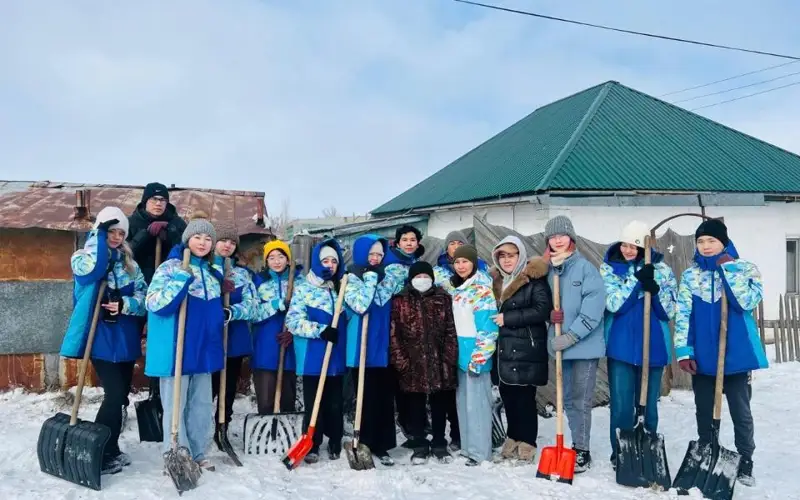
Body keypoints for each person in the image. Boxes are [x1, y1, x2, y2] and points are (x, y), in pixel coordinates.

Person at [675, 218, 767, 487]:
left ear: (723, 242)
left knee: (740, 409)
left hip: (736, 355)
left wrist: (728, 270)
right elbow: (684, 315)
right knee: (704, 408)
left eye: (711, 241)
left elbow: (747, 302)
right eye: (701, 241)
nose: (705, 246)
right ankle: (708, 451)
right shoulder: (691, 275)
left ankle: (745, 458)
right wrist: (684, 350)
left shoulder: (745, 269)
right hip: (703, 356)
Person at [60, 207, 147, 475]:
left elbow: (145, 299)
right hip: (99, 338)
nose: (117, 237)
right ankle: (103, 451)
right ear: (101, 230)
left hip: (125, 337)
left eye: (122, 232)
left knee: (120, 396)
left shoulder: (130, 264)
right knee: (113, 394)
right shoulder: (82, 257)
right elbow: (91, 273)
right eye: (111, 231)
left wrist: (126, 304)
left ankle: (111, 447)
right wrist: (99, 240)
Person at [144, 212, 224, 472]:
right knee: (175, 404)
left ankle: (198, 451)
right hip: (176, 349)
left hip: (203, 349)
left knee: (201, 404)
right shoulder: (170, 268)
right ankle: (176, 451)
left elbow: (212, 313)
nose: (202, 243)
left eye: (207, 238)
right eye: (197, 237)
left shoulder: (212, 274)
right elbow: (154, 303)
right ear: (188, 239)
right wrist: (181, 279)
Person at [599, 221, 677, 469]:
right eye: (624, 244)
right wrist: (635, 283)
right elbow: (612, 304)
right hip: (621, 345)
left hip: (653, 345)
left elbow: (670, 311)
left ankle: (648, 445)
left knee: (649, 403)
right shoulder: (610, 268)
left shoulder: (662, 270)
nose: (627, 250)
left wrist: (653, 290)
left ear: (644, 246)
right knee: (621, 403)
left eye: (633, 245)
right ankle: (620, 451)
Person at [543, 215, 606, 473]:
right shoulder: (547, 270)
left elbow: (594, 308)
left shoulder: (585, 269)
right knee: (567, 399)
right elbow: (541, 303)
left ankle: (582, 450)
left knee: (580, 399)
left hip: (583, 346)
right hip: (559, 345)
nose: (558, 240)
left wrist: (571, 337)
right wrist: (549, 315)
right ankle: (574, 443)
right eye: (553, 236)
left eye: (562, 235)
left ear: (571, 237)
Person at [285, 238, 349, 464]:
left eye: (334, 260)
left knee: (335, 402)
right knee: (314, 401)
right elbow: (292, 321)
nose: (330, 265)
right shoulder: (305, 288)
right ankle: (312, 442)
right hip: (313, 355)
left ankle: (335, 440)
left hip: (337, 356)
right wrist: (320, 330)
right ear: (316, 261)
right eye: (325, 260)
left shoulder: (340, 286)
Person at [489, 236, 551, 463]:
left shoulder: (533, 280)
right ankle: (512, 436)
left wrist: (509, 318)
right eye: (502, 256)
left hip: (526, 348)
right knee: (508, 396)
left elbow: (541, 310)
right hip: (503, 349)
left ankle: (528, 441)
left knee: (525, 397)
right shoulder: (495, 281)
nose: (506, 260)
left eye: (511, 255)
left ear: (520, 256)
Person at [390, 261, 458, 464]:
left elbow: (451, 330)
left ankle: (439, 442)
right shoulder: (400, 300)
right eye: (417, 277)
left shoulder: (443, 298)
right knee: (415, 405)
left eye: (425, 276)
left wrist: (448, 358)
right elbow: (394, 334)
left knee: (439, 404)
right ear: (411, 279)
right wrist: (401, 361)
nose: (422, 280)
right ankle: (419, 444)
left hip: (439, 361)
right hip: (412, 362)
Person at [127, 182, 188, 404]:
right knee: (131, 342)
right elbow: (125, 253)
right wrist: (145, 235)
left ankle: (159, 395)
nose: (158, 203)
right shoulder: (133, 222)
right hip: (139, 290)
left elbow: (187, 250)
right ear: (145, 201)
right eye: (154, 200)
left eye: (162, 200)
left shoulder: (177, 223)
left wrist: (170, 233)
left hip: (167, 294)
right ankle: (123, 396)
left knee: (162, 343)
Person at [343, 234, 398, 465]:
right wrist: (369, 279)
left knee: (383, 397)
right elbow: (361, 305)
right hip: (360, 346)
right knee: (366, 397)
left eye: (379, 255)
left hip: (381, 344)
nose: (376, 258)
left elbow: (382, 300)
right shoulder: (350, 279)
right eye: (371, 254)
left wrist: (378, 278)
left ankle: (382, 444)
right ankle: (364, 439)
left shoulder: (386, 277)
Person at [382, 225, 433, 447]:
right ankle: (406, 420)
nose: (410, 243)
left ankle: (419, 419)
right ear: (397, 243)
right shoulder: (391, 265)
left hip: (420, 327)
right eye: (405, 239)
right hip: (397, 322)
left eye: (413, 239)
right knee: (401, 373)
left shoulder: (418, 264)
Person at [450, 244, 499, 466]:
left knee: (478, 405)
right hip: (460, 355)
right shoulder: (459, 289)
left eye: (465, 261)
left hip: (475, 355)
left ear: (473, 263)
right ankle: (468, 447)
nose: (461, 266)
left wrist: (479, 357)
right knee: (463, 404)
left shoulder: (482, 290)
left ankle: (481, 452)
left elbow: (488, 328)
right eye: (457, 262)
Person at [210, 224, 257, 444]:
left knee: (227, 389)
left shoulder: (242, 275)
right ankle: (197, 429)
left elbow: (253, 306)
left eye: (231, 242)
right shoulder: (206, 269)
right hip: (209, 339)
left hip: (234, 339)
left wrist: (232, 311)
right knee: (206, 389)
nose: (227, 245)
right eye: (223, 241)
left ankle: (222, 428)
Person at [251, 240, 302, 414]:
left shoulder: (300, 282)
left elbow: (307, 312)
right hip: (265, 343)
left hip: (289, 346)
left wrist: (293, 333)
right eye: (271, 257)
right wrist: (274, 305)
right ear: (266, 262)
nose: (276, 261)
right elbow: (253, 313)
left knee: (288, 397)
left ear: (288, 259)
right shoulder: (258, 282)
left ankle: (286, 434)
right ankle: (265, 434)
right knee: (266, 399)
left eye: (281, 256)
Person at [433, 230, 489, 295]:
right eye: (452, 244)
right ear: (447, 249)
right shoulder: (436, 272)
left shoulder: (481, 265)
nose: (456, 247)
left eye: (460, 244)